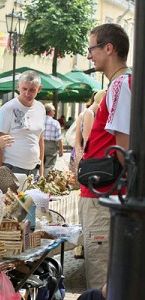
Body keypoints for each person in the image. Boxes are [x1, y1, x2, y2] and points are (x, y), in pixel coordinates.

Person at [79, 23, 131, 289]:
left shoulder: (122, 84)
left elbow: (126, 150)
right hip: (106, 193)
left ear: (108, 48)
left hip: (104, 194)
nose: (89, 55)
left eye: (92, 48)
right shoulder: (122, 84)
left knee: (101, 278)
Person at [0, 70, 46, 176]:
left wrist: (41, 171)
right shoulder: (7, 109)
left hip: (34, 169)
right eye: (24, 89)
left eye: (32, 90)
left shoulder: (40, 108)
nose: (27, 93)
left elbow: (40, 140)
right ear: (18, 86)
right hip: (11, 169)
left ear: (39, 89)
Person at [43, 103, 63, 176]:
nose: (54, 112)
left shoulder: (39, 121)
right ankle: (45, 182)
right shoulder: (55, 123)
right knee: (49, 165)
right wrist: (61, 150)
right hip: (51, 146)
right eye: (54, 110)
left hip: (40, 144)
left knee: (39, 164)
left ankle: (37, 180)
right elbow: (59, 138)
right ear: (50, 112)